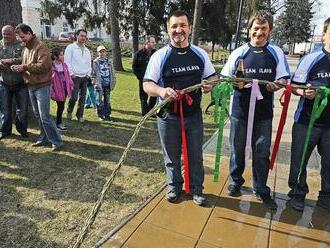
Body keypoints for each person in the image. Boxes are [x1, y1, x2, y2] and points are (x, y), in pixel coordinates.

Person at [143, 10, 217, 206]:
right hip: (168, 116)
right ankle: (174, 186)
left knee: (195, 154)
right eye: (174, 26)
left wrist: (210, 83)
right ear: (168, 29)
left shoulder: (200, 54)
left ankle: (196, 190)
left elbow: (212, 77)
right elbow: (147, 85)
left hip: (193, 115)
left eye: (183, 25)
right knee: (171, 154)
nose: (179, 30)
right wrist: (161, 91)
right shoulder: (160, 56)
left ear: (189, 28)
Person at [221, 10, 290, 210]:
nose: (259, 32)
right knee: (238, 148)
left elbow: (284, 78)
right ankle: (235, 181)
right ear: (249, 29)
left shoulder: (276, 52)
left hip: (263, 114)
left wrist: (277, 84)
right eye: (256, 28)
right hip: (239, 112)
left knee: (261, 152)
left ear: (269, 31)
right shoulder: (238, 53)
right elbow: (225, 77)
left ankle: (260, 188)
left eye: (264, 28)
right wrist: (233, 82)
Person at [288, 17, 330, 212]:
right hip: (307, 122)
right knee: (299, 160)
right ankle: (297, 193)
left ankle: (326, 197)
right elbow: (294, 86)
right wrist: (304, 91)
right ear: (324, 35)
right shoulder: (311, 59)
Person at [11, 24, 62, 151]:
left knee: (44, 116)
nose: (21, 39)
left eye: (22, 36)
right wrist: (18, 66)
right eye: (19, 37)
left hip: (42, 85)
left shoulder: (41, 46)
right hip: (31, 85)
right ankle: (43, 138)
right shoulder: (26, 48)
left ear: (29, 33)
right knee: (38, 115)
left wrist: (25, 67)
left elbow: (44, 66)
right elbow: (26, 63)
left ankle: (57, 141)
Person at [0, 25, 28, 139]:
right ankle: (5, 131)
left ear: (14, 34)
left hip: (20, 82)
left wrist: (10, 61)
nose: (6, 36)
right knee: (5, 110)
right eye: (4, 34)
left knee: (22, 110)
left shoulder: (22, 45)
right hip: (4, 82)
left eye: (8, 34)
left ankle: (22, 130)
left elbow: (25, 59)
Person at [64, 29, 92, 123]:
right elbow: (67, 62)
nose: (83, 38)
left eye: (85, 36)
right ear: (77, 36)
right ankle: (69, 111)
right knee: (74, 97)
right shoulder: (70, 48)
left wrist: (88, 74)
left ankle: (80, 115)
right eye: (81, 36)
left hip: (85, 77)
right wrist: (71, 74)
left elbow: (89, 63)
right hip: (75, 77)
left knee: (83, 98)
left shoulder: (87, 50)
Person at [132, 35, 157, 116]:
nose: (154, 43)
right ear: (147, 42)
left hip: (154, 79)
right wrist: (140, 77)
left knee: (154, 96)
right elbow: (134, 67)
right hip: (143, 80)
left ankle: (150, 112)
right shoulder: (138, 54)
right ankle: (145, 113)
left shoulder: (156, 53)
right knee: (143, 97)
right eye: (152, 42)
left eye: (154, 42)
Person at [50, 47, 73, 131]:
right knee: (60, 107)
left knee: (61, 106)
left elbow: (68, 76)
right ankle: (58, 124)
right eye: (61, 55)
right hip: (57, 90)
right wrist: (52, 92)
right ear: (55, 56)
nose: (63, 56)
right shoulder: (51, 67)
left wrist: (71, 85)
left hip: (64, 89)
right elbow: (50, 80)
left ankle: (58, 123)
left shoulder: (64, 65)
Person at [92, 45, 116, 121]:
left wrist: (113, 80)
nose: (102, 53)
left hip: (107, 84)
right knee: (99, 100)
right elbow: (92, 74)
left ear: (105, 52)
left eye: (103, 51)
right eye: (100, 52)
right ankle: (100, 115)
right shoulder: (95, 62)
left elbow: (112, 72)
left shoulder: (109, 61)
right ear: (98, 53)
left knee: (107, 100)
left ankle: (107, 114)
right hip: (99, 84)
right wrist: (95, 82)